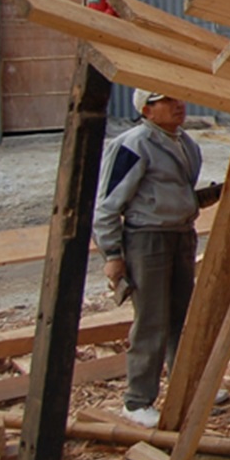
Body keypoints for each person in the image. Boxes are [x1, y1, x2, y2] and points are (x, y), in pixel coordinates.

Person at [93, 89, 220, 428]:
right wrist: (113, 254)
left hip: (180, 235)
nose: (179, 104)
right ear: (147, 110)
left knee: (182, 316)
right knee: (151, 319)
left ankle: (187, 389)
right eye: (167, 100)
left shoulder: (185, 143)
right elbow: (107, 205)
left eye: (179, 97)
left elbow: (174, 194)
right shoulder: (134, 144)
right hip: (146, 239)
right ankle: (137, 401)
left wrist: (214, 193)